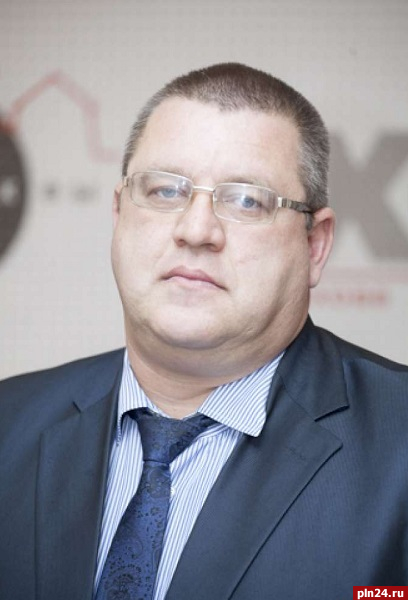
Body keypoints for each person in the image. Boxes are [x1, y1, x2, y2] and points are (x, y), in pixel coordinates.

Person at [0, 63, 407, 600]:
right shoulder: (9, 423)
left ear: (314, 246)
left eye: (247, 201)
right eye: (165, 190)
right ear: (118, 214)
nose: (195, 230)